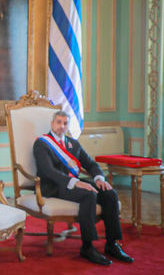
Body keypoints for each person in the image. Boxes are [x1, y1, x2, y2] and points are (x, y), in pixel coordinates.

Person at [33, 110, 133, 266]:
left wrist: (99, 178)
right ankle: (87, 247)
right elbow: (48, 171)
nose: (61, 126)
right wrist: (76, 183)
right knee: (89, 195)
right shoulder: (41, 144)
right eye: (58, 122)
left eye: (65, 123)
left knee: (110, 193)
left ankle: (112, 244)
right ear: (52, 124)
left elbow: (91, 164)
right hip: (53, 186)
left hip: (73, 183)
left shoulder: (73, 144)